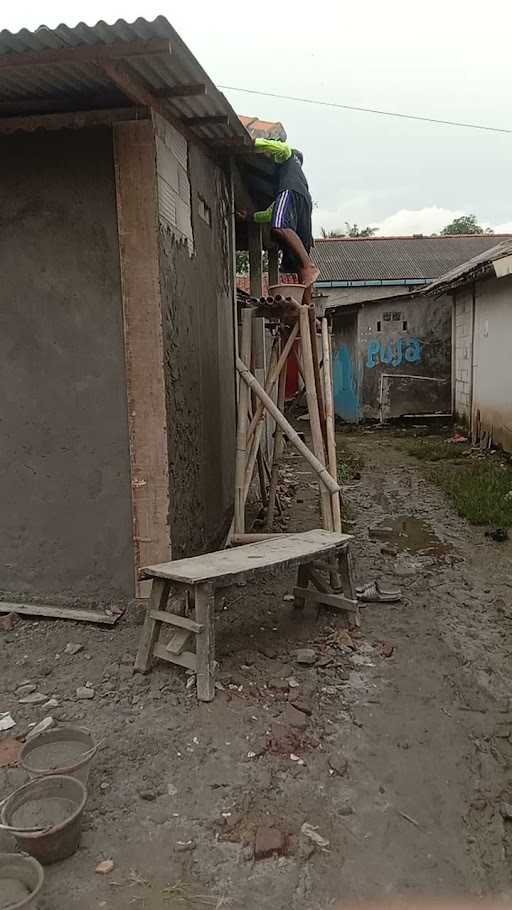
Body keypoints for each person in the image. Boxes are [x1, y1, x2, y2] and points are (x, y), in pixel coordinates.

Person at [245, 138, 319, 290]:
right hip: (305, 204)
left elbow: (282, 147)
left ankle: (309, 266)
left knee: (279, 225)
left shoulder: (288, 157)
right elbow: (271, 213)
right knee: (296, 261)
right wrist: (250, 216)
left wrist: (251, 142)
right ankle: (308, 308)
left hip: (290, 190)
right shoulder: (301, 180)